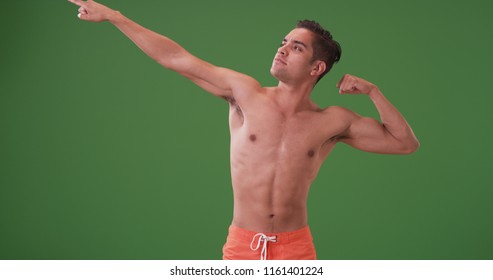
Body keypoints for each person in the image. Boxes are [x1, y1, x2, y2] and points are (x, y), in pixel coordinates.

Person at [68, 0, 420, 260]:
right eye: (283, 42)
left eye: (295, 48)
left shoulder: (332, 121)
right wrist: (116, 17)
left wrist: (374, 92)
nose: (282, 50)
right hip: (242, 246)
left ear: (317, 67)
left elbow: (404, 143)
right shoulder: (245, 93)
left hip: (296, 250)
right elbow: (175, 58)